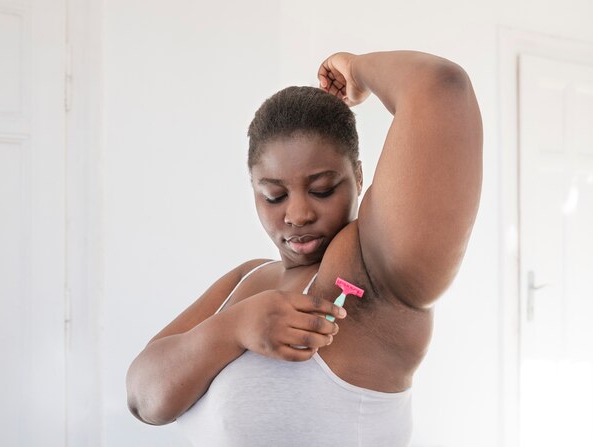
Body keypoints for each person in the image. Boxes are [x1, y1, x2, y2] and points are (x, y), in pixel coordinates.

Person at [126, 50, 482, 446]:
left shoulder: (371, 270)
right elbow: (144, 399)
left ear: (358, 176)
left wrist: (357, 70)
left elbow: (440, 85)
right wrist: (235, 327)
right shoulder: (246, 278)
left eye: (321, 190)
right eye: (274, 195)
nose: (297, 214)